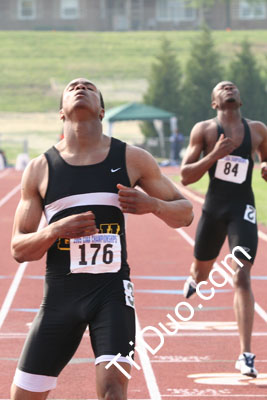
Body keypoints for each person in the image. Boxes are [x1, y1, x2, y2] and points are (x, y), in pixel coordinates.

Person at [10, 78, 193, 400]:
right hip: (59, 299)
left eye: (90, 87)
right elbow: (19, 249)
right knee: (23, 396)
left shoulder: (131, 158)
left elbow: (185, 212)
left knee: (112, 390)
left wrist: (154, 205)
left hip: (111, 296)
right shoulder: (40, 169)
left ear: (102, 110)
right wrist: (53, 230)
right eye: (72, 87)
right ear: (61, 113)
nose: (80, 86)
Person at [181, 81, 267, 378]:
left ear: (240, 100)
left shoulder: (257, 130)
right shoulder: (204, 130)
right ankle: (194, 278)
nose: (229, 89)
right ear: (214, 103)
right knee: (201, 272)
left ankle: (245, 355)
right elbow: (185, 176)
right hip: (213, 210)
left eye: (233, 87)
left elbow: (266, 160)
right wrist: (213, 154)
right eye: (221, 88)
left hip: (242, 209)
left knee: (241, 274)